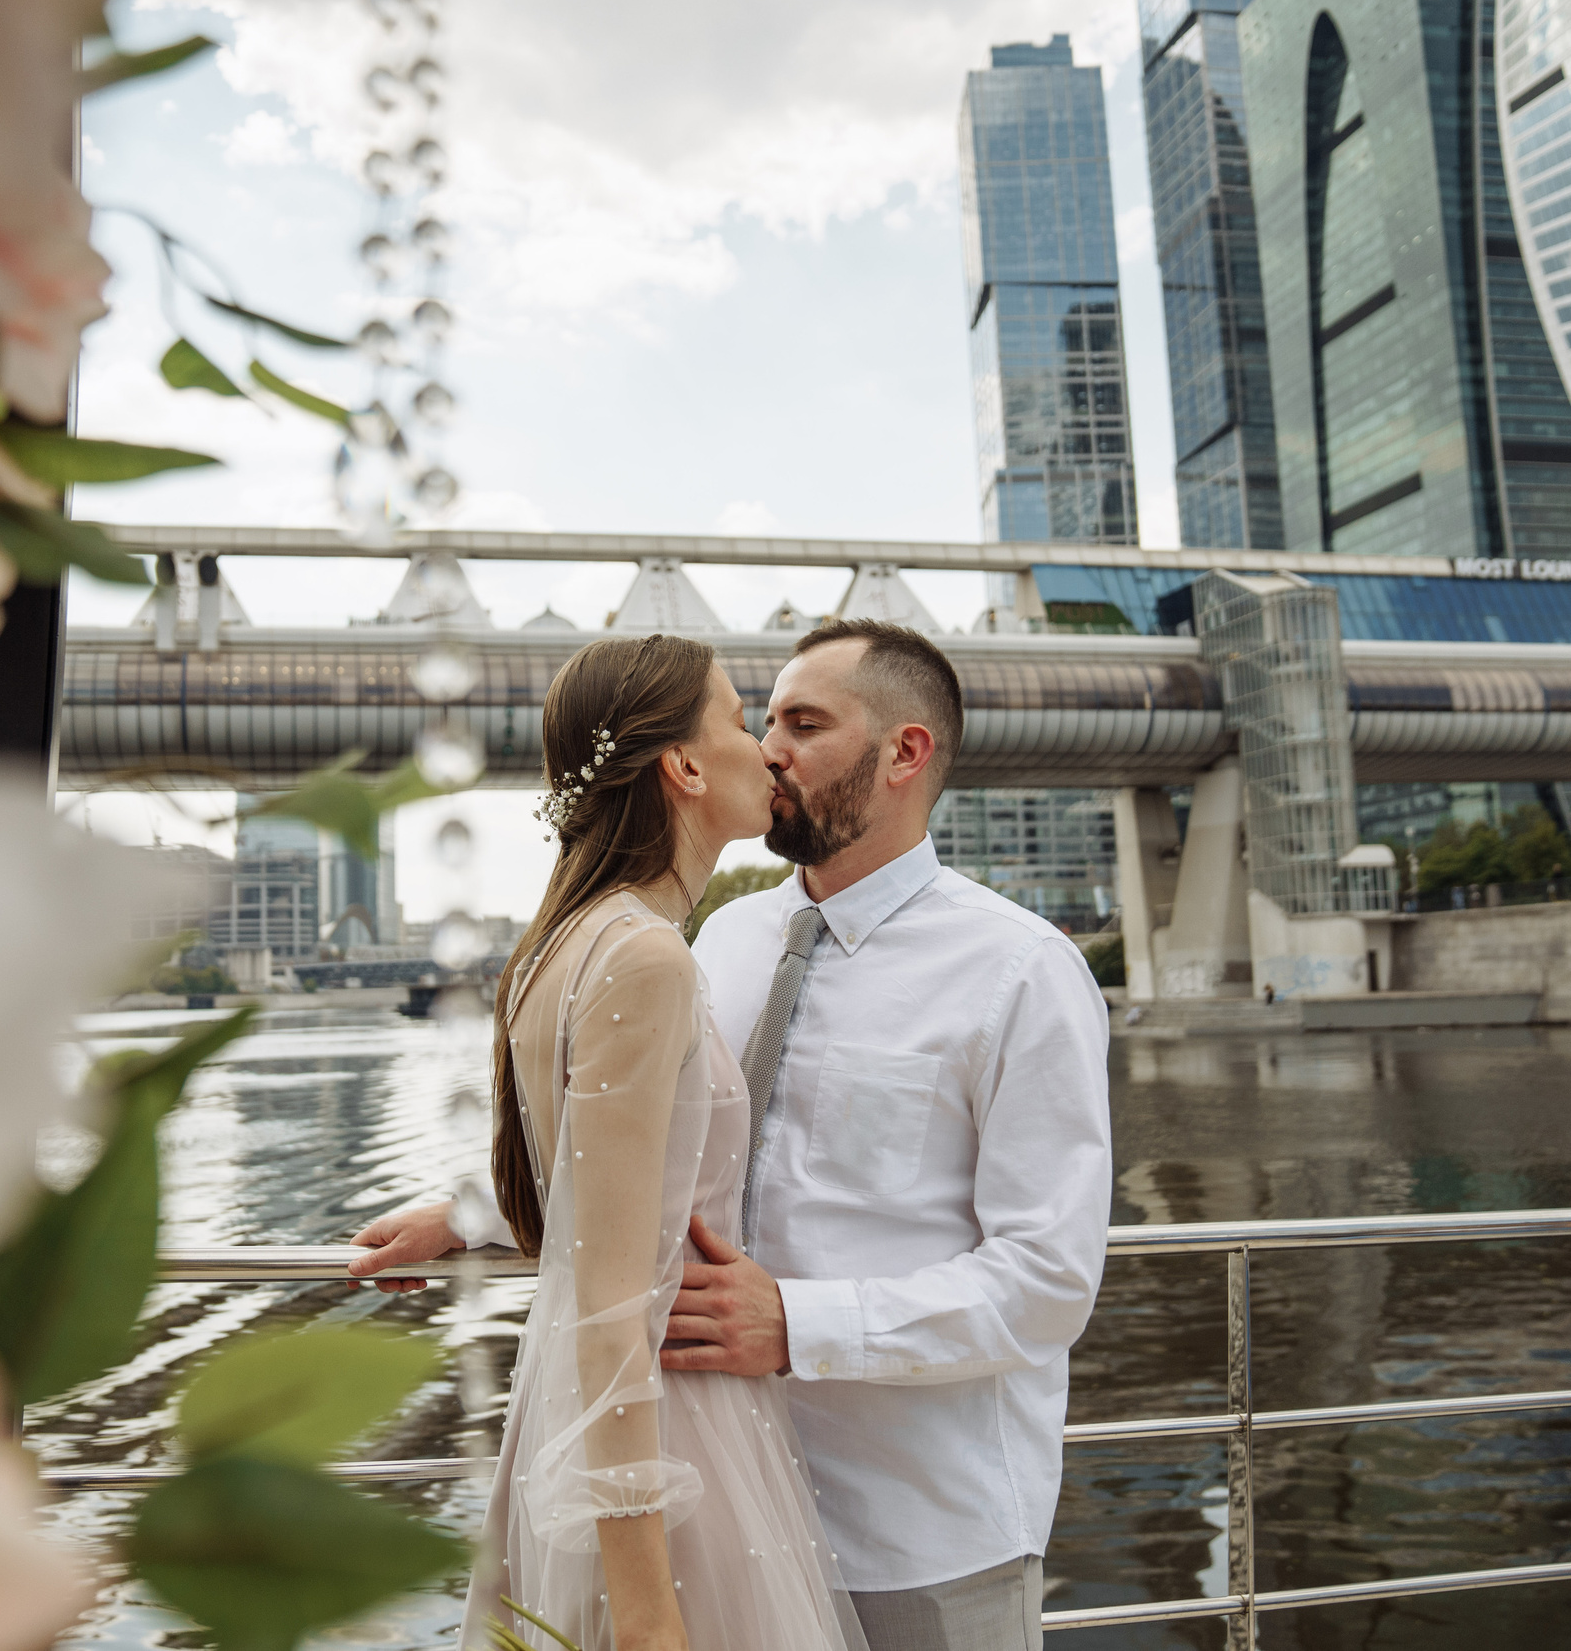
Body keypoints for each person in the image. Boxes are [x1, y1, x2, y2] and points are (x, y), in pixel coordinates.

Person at [354, 620, 1112, 1651]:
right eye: (759, 722)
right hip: (707, 1501)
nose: (769, 750)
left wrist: (798, 1323)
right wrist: (477, 1214)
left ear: (904, 753)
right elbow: (662, 1171)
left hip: (914, 1529)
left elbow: (1048, 1279)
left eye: (803, 723)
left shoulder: (1022, 971)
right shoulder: (721, 936)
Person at [430, 633, 866, 1651]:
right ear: (680, 766)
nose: (764, 748)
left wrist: (463, 1220)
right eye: (735, 718)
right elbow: (608, 1301)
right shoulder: (643, 958)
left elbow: (587, 1203)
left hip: (601, 1423)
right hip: (664, 1437)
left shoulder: (569, 941)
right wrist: (646, 1608)